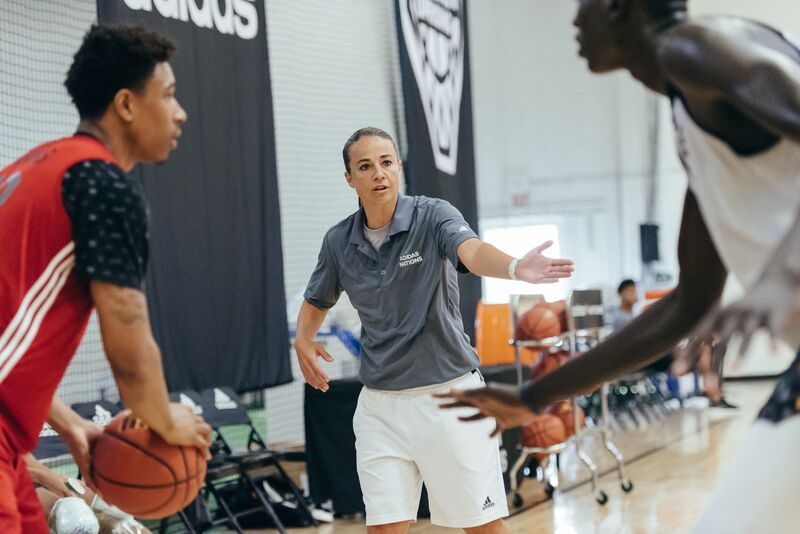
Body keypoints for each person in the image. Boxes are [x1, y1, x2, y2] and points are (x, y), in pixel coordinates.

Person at [436, 1, 800, 530]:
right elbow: (689, 303)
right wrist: (534, 395)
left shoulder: (692, 47)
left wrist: (785, 275)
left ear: (617, 7)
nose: (575, 20)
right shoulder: (695, 107)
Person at [294, 127, 573, 533]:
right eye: (366, 166)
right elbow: (317, 299)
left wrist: (515, 268)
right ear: (349, 178)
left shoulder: (434, 215)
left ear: (399, 167)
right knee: (385, 529)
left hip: (451, 397)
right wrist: (304, 339)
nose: (379, 174)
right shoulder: (338, 241)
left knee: (483, 528)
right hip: (380, 407)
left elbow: (472, 252)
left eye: (387, 163)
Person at [0, 24, 212, 533]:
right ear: (126, 104)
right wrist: (164, 417)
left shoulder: (29, 167)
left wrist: (71, 424)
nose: (180, 111)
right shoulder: (103, 185)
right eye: (168, 94)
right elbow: (129, 346)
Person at [24, 453, 149, 534]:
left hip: (30, 468)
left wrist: (49, 478)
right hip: (10, 482)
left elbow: (18, 451)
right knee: (71, 515)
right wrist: (41, 477)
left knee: (120, 521)